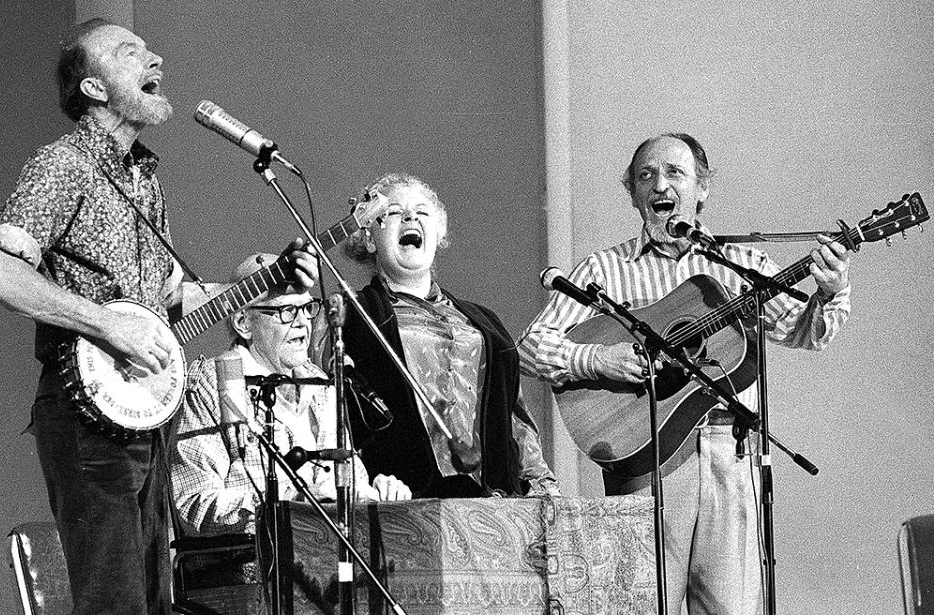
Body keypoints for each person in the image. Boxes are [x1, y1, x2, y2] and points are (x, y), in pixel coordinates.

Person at [0, 20, 319, 615]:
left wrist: (257, 284)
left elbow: (165, 302)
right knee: (115, 603)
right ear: (94, 88)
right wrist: (105, 324)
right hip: (87, 417)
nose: (153, 55)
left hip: (147, 413)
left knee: (155, 600)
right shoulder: (64, 164)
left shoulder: (145, 179)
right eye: (128, 51)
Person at [518, 133, 851, 615]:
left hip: (731, 454)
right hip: (645, 455)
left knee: (731, 609)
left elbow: (807, 332)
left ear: (703, 188)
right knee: (646, 607)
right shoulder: (604, 269)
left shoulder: (742, 265)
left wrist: (831, 289)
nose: (660, 184)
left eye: (675, 173)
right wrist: (597, 359)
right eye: (646, 175)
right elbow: (530, 346)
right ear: (632, 191)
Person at [327, 172, 559, 498]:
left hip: (496, 504)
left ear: (438, 233)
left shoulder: (485, 323)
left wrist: (542, 485)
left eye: (422, 212)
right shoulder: (352, 314)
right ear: (368, 238)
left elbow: (514, 418)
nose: (410, 217)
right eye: (393, 213)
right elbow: (327, 413)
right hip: (407, 505)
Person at [170, 252, 412, 540]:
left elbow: (349, 484)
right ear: (243, 322)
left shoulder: (323, 385)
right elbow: (194, 505)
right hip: (253, 568)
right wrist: (290, 504)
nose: (302, 323)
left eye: (307, 308)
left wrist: (378, 494)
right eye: (286, 311)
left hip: (325, 564)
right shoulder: (213, 383)